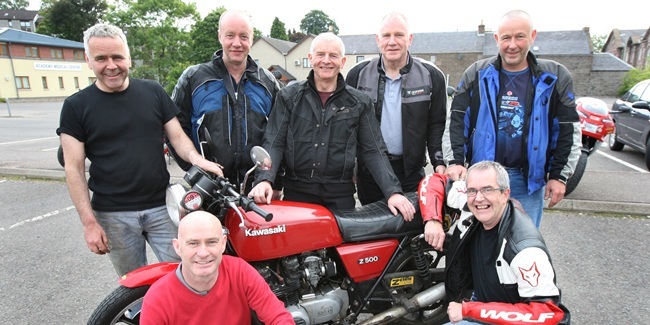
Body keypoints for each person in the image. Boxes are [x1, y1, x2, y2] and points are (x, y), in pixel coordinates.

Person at [57, 23, 223, 277]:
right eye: (101, 58)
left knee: (184, 275)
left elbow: (178, 139)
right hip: (113, 215)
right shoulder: (75, 106)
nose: (111, 65)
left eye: (117, 57)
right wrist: (89, 224)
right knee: (134, 286)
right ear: (88, 61)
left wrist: (200, 161)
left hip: (163, 206)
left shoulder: (153, 92)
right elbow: (74, 168)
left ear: (129, 58)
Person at [248, 32, 415, 220]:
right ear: (310, 58)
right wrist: (264, 180)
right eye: (320, 54)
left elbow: (373, 150)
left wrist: (393, 191)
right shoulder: (289, 97)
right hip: (298, 193)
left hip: (340, 197)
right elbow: (274, 142)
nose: (326, 61)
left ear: (342, 62)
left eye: (333, 56)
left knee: (340, 249)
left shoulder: (359, 103)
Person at [444, 10, 581, 228]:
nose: (512, 45)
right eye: (506, 37)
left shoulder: (556, 76)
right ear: (497, 39)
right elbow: (457, 120)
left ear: (532, 36)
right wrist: (455, 161)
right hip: (482, 179)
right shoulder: (477, 73)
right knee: (477, 244)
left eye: (520, 36)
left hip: (527, 183)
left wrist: (559, 176)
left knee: (521, 245)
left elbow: (567, 130)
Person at [442, 161, 569, 324]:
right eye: (472, 190)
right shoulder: (473, 206)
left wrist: (470, 310)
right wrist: (432, 221)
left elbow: (547, 314)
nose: (479, 198)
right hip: (482, 303)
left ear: (505, 194)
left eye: (488, 189)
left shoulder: (524, 250)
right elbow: (436, 182)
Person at [171, 10, 281, 193]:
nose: (236, 43)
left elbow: (279, 135)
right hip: (209, 188)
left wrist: (273, 182)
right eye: (230, 35)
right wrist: (195, 169)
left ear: (252, 39)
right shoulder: (194, 78)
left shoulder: (268, 83)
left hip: (257, 190)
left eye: (244, 36)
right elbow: (173, 129)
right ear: (220, 36)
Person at [346, 12, 447, 207]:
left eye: (399, 35)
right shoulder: (358, 74)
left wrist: (439, 163)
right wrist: (349, 168)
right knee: (375, 232)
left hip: (410, 172)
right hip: (370, 172)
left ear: (410, 39)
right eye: (386, 35)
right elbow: (348, 127)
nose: (392, 41)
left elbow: (436, 124)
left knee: (411, 231)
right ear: (378, 40)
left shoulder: (431, 75)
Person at [140, 211, 294, 324]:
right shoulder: (157, 299)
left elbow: (278, 317)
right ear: (177, 247)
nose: (203, 253)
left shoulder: (239, 271)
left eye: (211, 242)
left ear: (223, 244)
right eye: (193, 243)